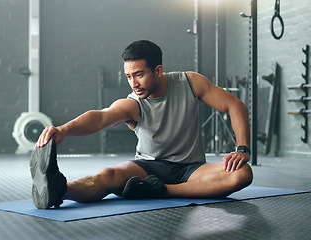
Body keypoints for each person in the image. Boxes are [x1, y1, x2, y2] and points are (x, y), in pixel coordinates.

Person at [30, 40, 253, 209]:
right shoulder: (133, 104)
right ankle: (60, 190)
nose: (134, 83)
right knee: (108, 175)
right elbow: (101, 117)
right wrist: (63, 130)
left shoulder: (190, 83)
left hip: (191, 169)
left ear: (158, 70)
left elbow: (235, 105)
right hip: (147, 167)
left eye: (139, 74)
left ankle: (163, 191)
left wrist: (242, 148)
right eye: (128, 76)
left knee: (242, 174)